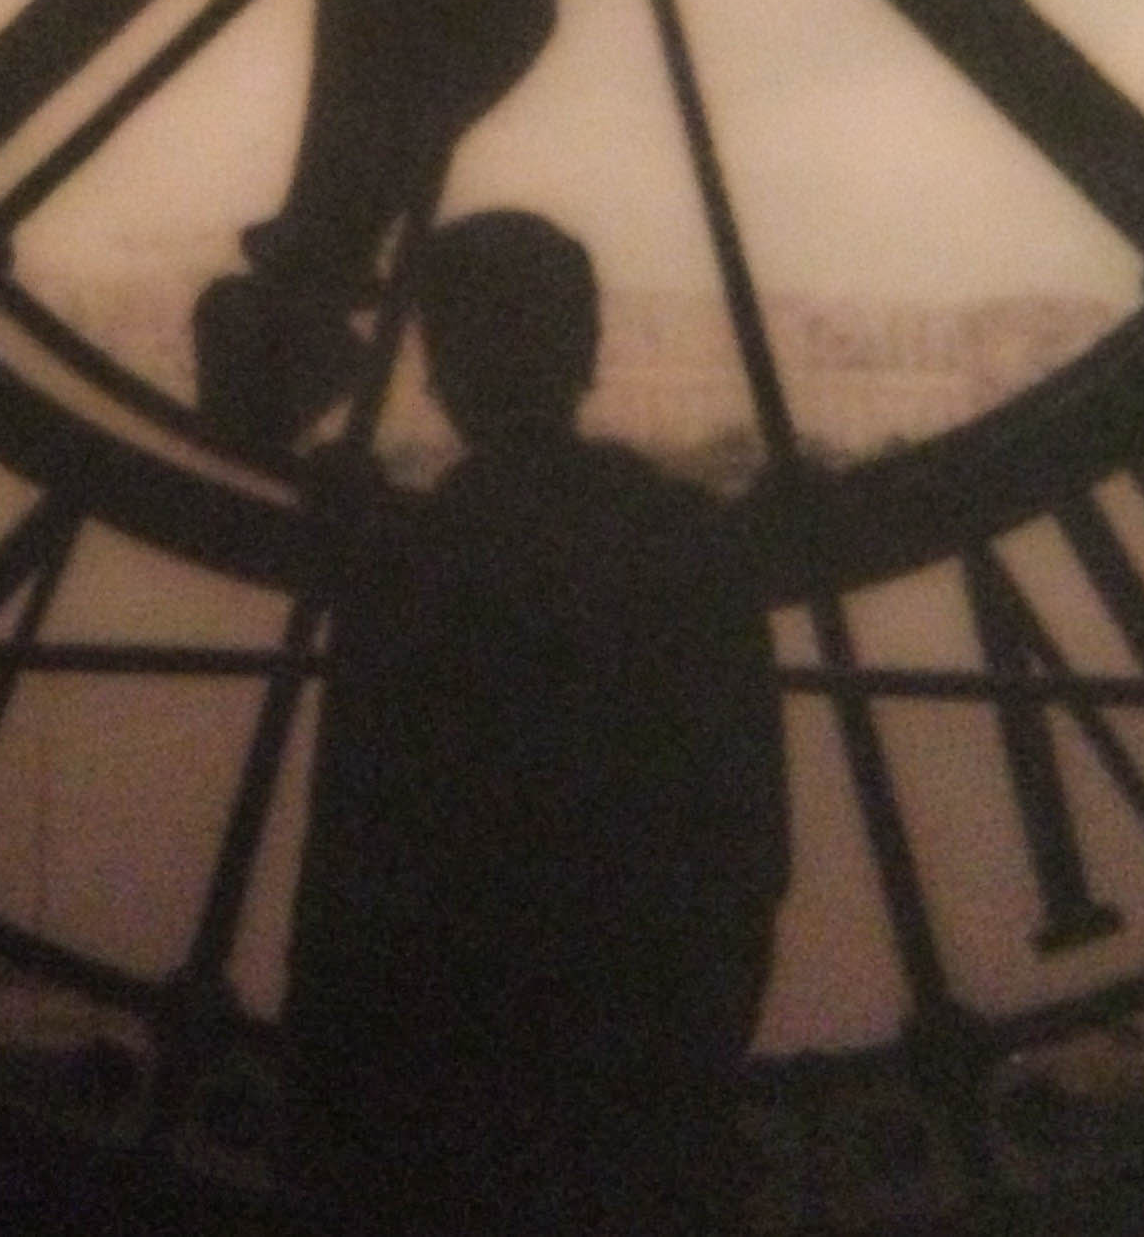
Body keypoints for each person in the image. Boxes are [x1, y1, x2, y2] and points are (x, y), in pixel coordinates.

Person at [283, 213, 789, 1237]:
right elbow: (745, 846)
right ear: (588, 348)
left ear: (438, 367)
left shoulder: (406, 572)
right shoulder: (686, 555)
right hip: (641, 1082)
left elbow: (356, 848)